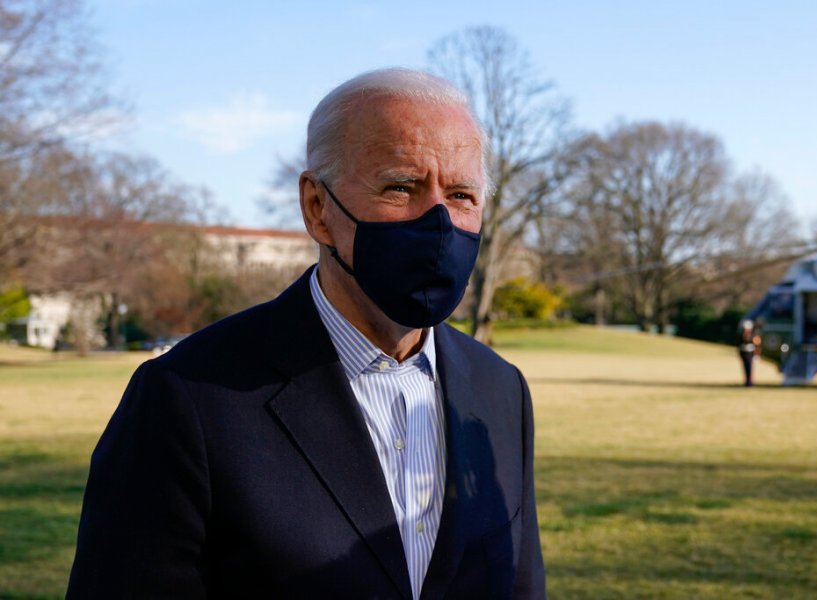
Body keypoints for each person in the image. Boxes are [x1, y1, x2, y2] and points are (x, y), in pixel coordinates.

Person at [66, 68, 545, 599]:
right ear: (318, 209)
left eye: (460, 195)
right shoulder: (188, 398)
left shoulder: (502, 391)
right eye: (400, 187)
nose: (436, 221)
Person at [738, 319, 760, 386]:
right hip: (744, 353)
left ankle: (749, 382)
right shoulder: (741, 334)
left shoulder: (753, 335)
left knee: (749, 368)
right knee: (745, 368)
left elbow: (757, 345)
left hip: (750, 353)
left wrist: (756, 354)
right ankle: (747, 381)